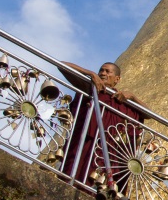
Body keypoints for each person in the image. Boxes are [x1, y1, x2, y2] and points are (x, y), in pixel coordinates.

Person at [58, 61, 149, 189]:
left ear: (117, 79)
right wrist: (89, 73)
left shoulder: (122, 102)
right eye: (101, 70)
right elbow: (62, 65)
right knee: (71, 174)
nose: (103, 73)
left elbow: (148, 114)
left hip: (107, 151)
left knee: (98, 184)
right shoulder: (92, 87)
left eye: (107, 71)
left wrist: (133, 97)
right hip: (84, 143)